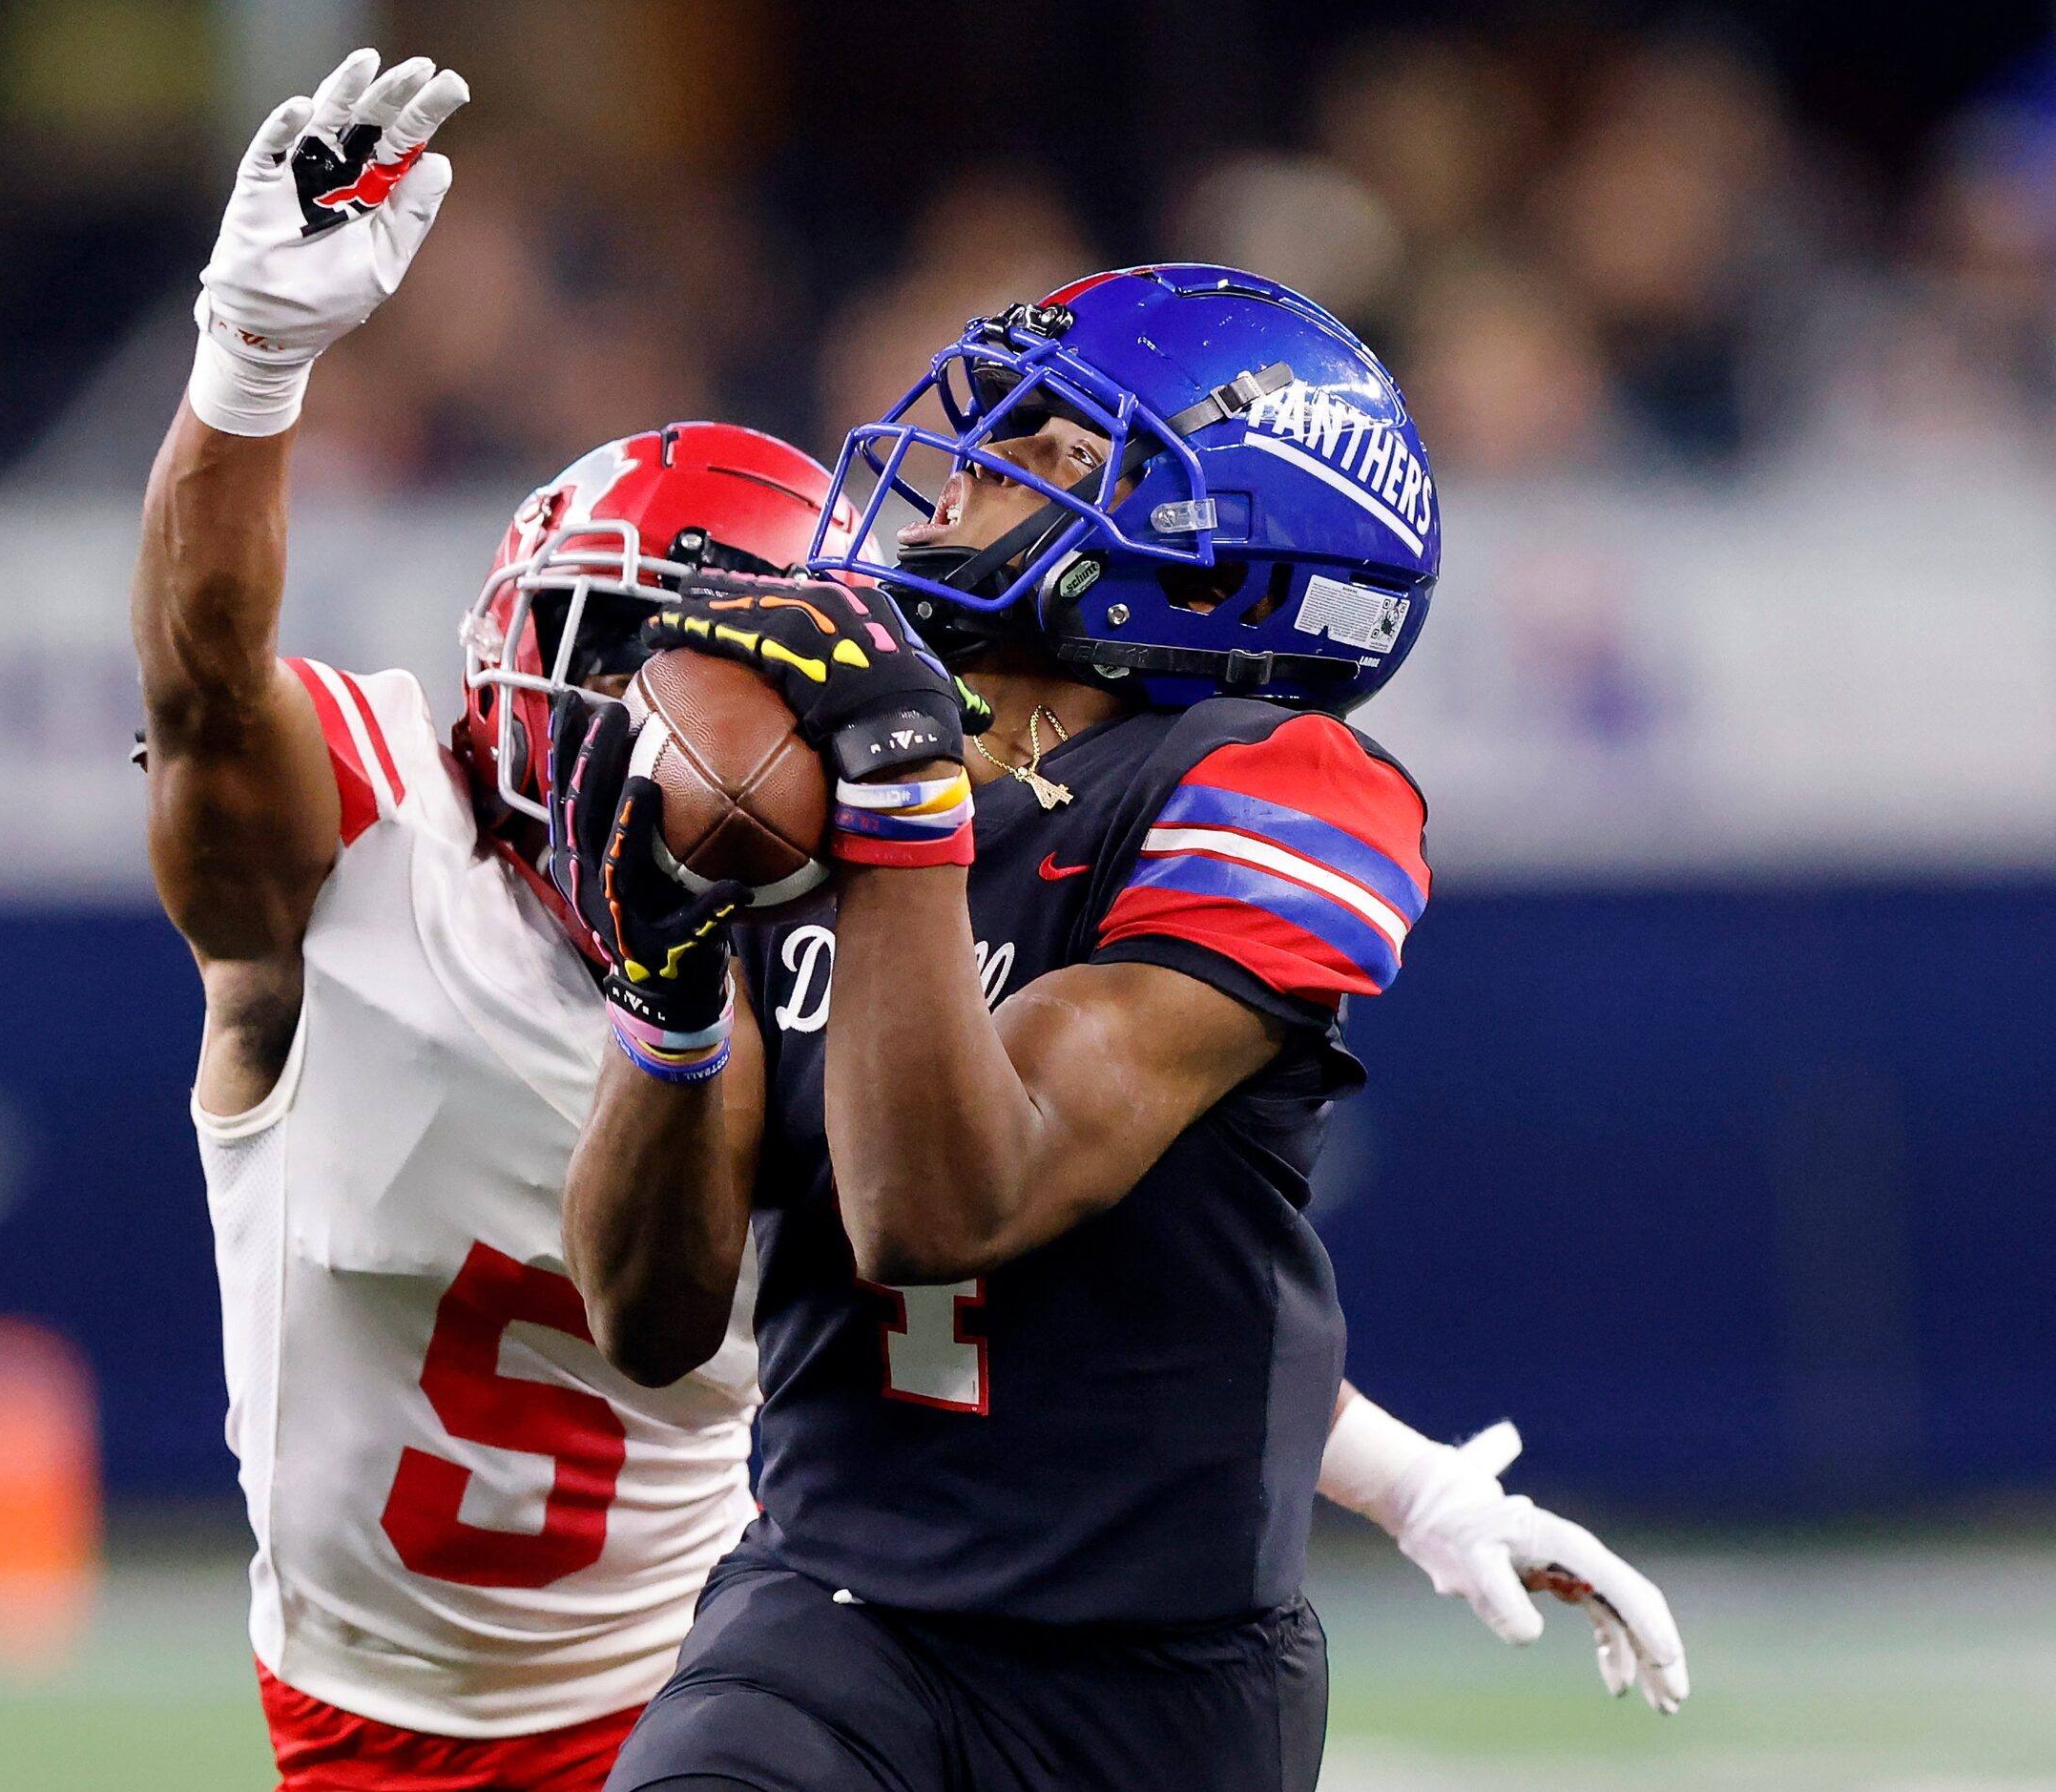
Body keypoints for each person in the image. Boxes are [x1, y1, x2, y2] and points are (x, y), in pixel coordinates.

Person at [550, 265, 1689, 1791]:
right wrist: (669, 999)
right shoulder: (834, 755)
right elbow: (647, 1316)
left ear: (1219, 543)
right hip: (831, 1613)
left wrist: (898, 808)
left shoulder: (1280, 785)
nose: (959, 481)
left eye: (1056, 451)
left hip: (1156, 1680)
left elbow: (952, 1205)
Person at [129, 48, 867, 1791]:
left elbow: (1068, 1284)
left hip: (732, 1670)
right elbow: (204, 687)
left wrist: (1391, 1477)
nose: (689, 739)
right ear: (531, 656)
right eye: (641, 663)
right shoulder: (375, 836)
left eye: (755, 676)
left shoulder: (864, 932)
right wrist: (252, 358)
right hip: (372, 1718)